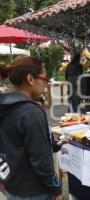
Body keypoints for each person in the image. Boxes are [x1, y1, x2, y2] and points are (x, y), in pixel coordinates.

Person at [0, 56, 61, 200]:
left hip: (11, 185)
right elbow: (42, 160)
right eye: (44, 79)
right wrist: (56, 188)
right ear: (30, 79)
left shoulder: (4, 106)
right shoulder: (31, 112)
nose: (45, 85)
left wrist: (52, 144)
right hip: (34, 191)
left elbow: (14, 141)